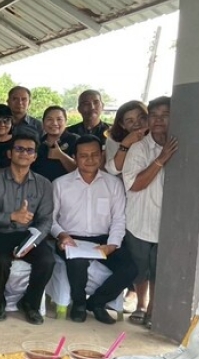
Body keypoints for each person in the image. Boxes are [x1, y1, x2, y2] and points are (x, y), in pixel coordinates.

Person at [52, 135, 137, 324]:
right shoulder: (60, 184)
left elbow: (119, 219)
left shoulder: (113, 184)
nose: (90, 159)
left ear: (102, 155)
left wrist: (112, 245)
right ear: (74, 157)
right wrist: (62, 235)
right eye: (83, 155)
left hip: (103, 239)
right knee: (77, 263)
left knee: (130, 269)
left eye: (94, 154)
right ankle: (79, 304)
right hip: (71, 238)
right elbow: (50, 219)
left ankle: (97, 303)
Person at [0, 130, 55, 324]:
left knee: (47, 261)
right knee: (0, 261)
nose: (24, 153)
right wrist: (12, 216)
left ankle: (30, 304)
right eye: (19, 149)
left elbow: (46, 220)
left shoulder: (44, 184)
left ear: (35, 156)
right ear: (10, 153)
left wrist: (33, 242)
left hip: (29, 235)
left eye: (29, 150)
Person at [122, 96, 178, 327]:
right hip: (140, 219)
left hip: (167, 222)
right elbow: (135, 184)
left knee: (158, 269)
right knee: (139, 268)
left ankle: (153, 309)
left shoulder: (180, 144)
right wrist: (161, 159)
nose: (158, 120)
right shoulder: (139, 148)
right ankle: (141, 305)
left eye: (165, 115)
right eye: (154, 115)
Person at [31, 106, 78, 181]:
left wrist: (61, 156)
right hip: (41, 186)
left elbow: (82, 170)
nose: (54, 123)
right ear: (43, 122)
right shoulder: (37, 143)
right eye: (49, 119)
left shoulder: (75, 140)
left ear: (66, 121)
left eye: (59, 119)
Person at [105, 100, 147, 175]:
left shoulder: (156, 136)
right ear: (122, 125)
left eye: (141, 118)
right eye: (130, 121)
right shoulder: (114, 138)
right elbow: (113, 171)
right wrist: (126, 143)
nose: (137, 123)